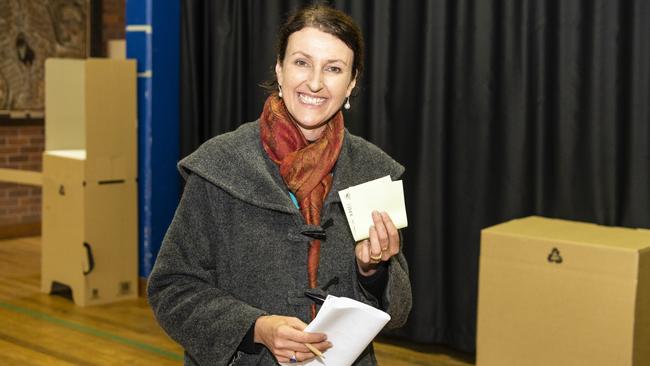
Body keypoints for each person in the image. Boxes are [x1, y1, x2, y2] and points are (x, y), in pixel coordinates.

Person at [147, 4, 412, 365]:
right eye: (302, 62)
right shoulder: (219, 165)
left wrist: (373, 271)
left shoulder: (372, 171)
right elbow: (171, 288)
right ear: (279, 68)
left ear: (351, 83)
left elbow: (398, 312)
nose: (315, 83)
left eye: (333, 69)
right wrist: (255, 327)